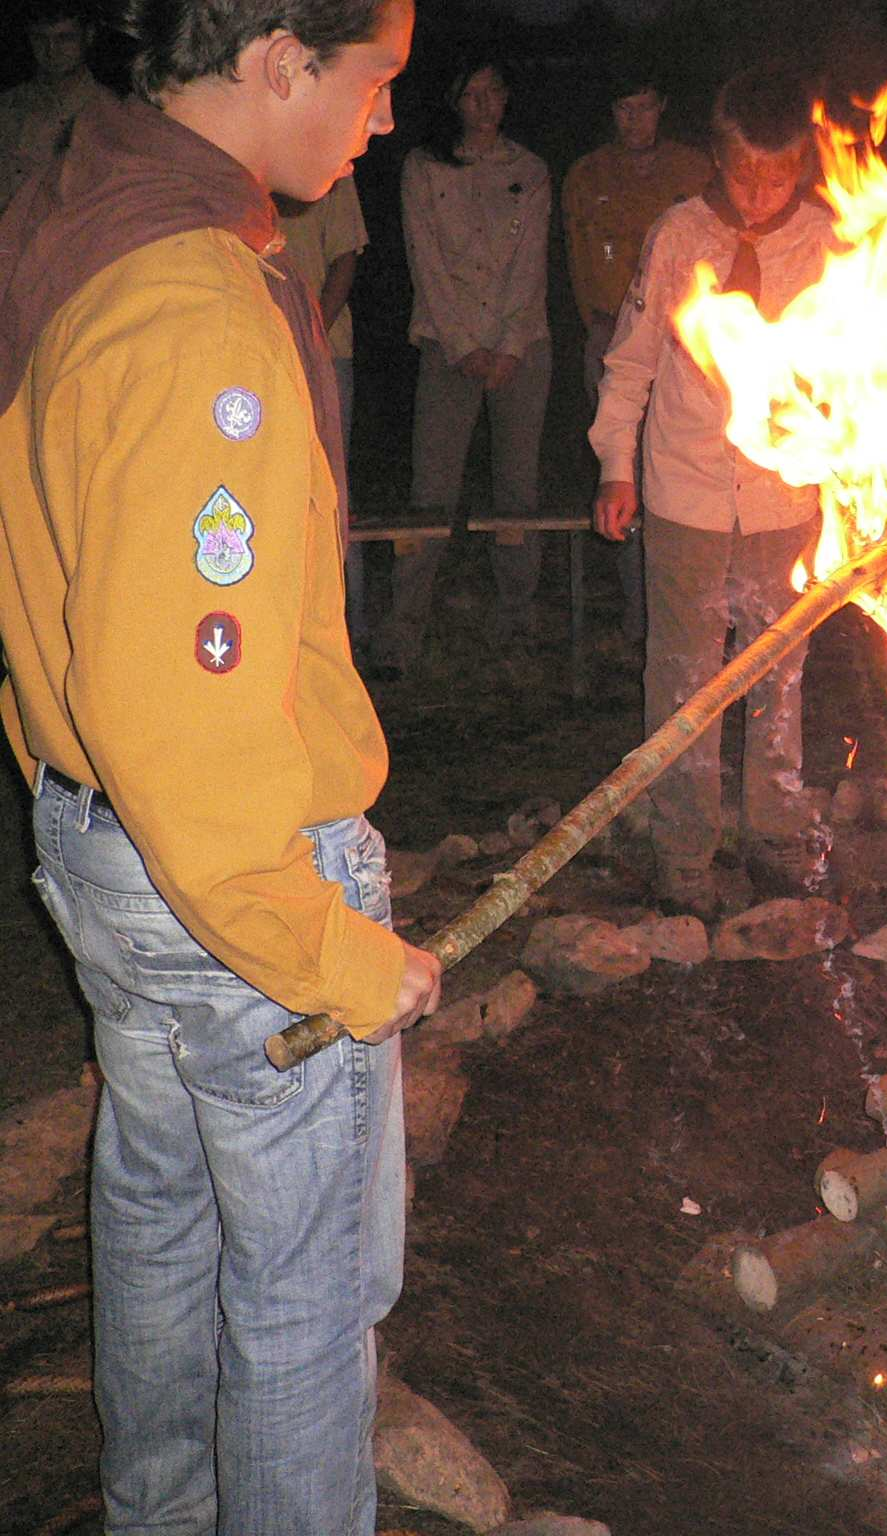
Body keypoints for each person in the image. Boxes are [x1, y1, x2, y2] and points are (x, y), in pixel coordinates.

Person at [0, 0, 442, 1529]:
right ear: (278, 61)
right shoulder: (195, 314)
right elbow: (177, 706)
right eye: (373, 82)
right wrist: (327, 950)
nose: (383, 121)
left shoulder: (88, 204)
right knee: (304, 1303)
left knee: (160, 1216)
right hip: (218, 878)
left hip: (104, 848)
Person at [589, 64, 833, 915]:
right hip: (687, 488)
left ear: (800, 165)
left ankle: (773, 833)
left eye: (778, 176)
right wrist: (616, 465)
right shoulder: (678, 235)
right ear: (719, 160)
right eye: (743, 174)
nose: (761, 195)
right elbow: (630, 361)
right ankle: (684, 848)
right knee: (685, 675)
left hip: (783, 497)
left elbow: (857, 376)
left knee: (780, 674)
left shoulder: (830, 245)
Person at [374, 57, 551, 677]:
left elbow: (530, 265)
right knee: (431, 489)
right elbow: (424, 258)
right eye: (470, 93)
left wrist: (505, 347)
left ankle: (518, 620)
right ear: (454, 100)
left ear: (506, 98)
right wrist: (463, 346)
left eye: (492, 92)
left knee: (516, 488)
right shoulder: (424, 168)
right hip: (448, 348)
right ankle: (405, 627)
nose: (482, 104)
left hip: (520, 347)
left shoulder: (529, 171)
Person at [563, 67, 711, 652]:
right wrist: (598, 327)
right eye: (625, 109)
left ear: (662, 107)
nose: (635, 121)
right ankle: (636, 614)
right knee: (620, 470)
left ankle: (689, 612)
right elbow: (576, 256)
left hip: (688, 347)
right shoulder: (587, 175)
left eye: (645, 108)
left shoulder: (693, 171)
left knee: (678, 476)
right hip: (609, 336)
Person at [275, 175, 370, 637]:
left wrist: (310, 332)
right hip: (256, 352)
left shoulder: (331, 168)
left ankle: (351, 627)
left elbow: (344, 258)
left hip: (326, 351)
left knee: (332, 484)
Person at [0, 0, 115, 216]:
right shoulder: (8, 108)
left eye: (65, 38)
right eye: (40, 39)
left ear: (88, 36)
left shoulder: (112, 113)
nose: (51, 50)